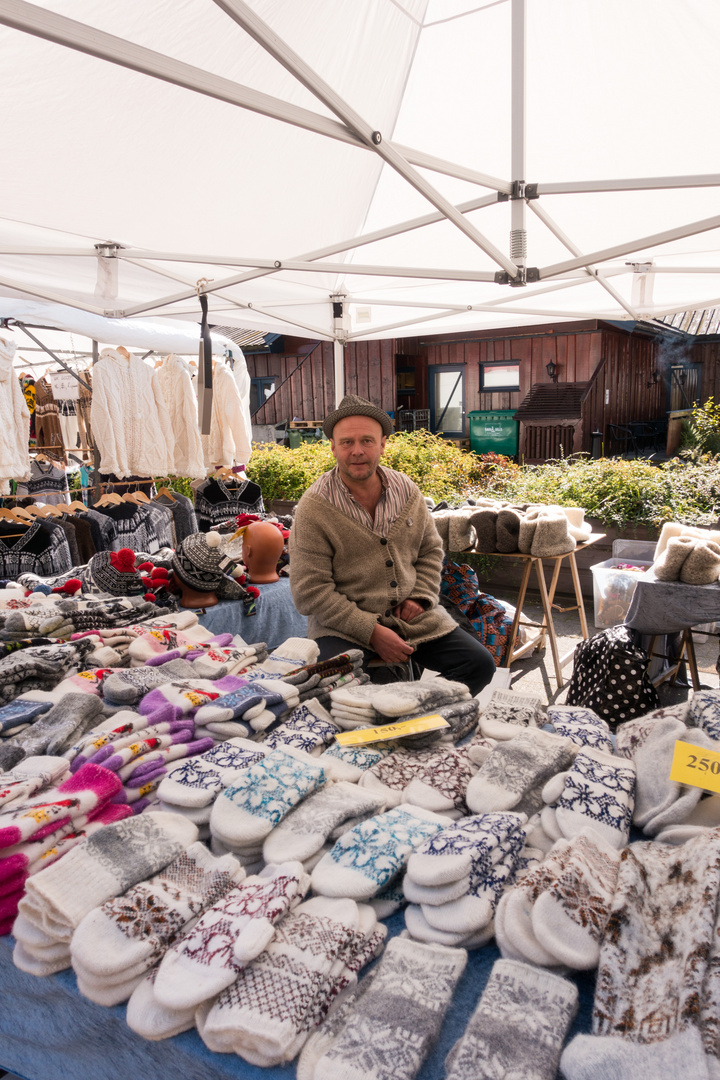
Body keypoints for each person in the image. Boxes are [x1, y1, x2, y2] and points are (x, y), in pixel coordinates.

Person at [288, 394, 496, 696]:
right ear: (332, 446)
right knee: (337, 692)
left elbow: (430, 549)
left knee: (478, 664)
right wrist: (372, 632)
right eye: (347, 442)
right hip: (343, 625)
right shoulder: (315, 507)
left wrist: (421, 596)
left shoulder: (405, 490)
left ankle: (417, 712)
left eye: (367, 441)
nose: (357, 451)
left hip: (412, 619)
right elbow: (310, 592)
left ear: (383, 444)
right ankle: (395, 718)